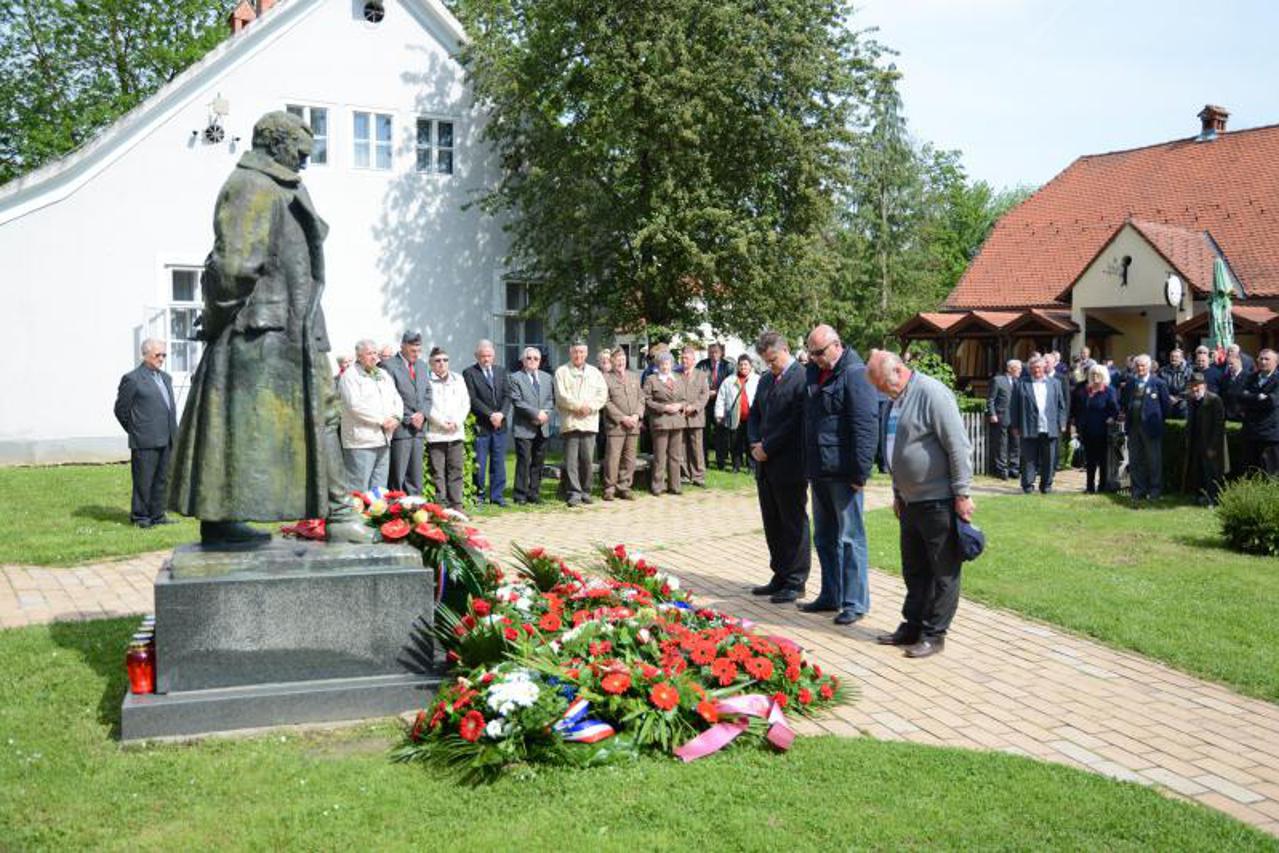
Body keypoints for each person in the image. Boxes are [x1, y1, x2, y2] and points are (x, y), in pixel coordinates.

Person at [167, 111, 366, 544]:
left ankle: (336, 513)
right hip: (260, 332)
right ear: (275, 144)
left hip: (292, 327)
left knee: (321, 412)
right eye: (300, 151)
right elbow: (235, 266)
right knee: (240, 425)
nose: (305, 161)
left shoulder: (279, 183)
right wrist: (218, 315)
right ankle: (334, 514)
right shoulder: (251, 186)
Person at [866, 350, 974, 659]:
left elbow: (958, 446)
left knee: (943, 571)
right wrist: (898, 492)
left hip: (938, 500)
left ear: (898, 371)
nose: (880, 392)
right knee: (914, 569)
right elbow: (896, 448)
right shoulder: (896, 398)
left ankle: (934, 634)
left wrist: (962, 493)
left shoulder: (932, 393)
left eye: (882, 385)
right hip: (910, 501)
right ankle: (912, 625)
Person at [800, 325, 879, 626]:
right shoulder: (814, 372)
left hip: (845, 473)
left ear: (836, 345)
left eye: (819, 353)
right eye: (812, 353)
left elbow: (865, 425)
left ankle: (855, 602)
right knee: (824, 537)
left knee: (850, 538)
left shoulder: (856, 374)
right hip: (819, 469)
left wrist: (861, 472)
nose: (815, 358)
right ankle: (831, 594)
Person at [746, 331, 811, 604]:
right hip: (764, 464)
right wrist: (753, 443)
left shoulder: (802, 378)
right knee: (772, 522)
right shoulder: (764, 380)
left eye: (772, 360)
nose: (769, 366)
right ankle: (780, 574)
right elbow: (754, 414)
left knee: (792, 523)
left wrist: (767, 447)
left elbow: (796, 421)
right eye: (766, 361)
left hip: (789, 463)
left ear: (784, 349)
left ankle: (796, 580)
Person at [114, 338, 178, 528]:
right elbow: (121, 410)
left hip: (167, 437)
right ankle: (141, 517)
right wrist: (136, 430)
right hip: (144, 439)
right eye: (157, 355)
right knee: (144, 481)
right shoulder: (132, 379)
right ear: (146, 354)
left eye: (164, 355)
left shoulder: (166, 378)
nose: (162, 358)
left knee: (162, 479)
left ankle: (158, 515)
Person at [337, 339, 402, 492]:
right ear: (359, 356)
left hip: (384, 439)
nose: (374, 357)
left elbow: (396, 398)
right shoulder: (350, 376)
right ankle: (358, 515)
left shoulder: (383, 374)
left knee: (379, 488)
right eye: (369, 354)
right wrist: (382, 420)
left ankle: (376, 515)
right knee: (359, 487)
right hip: (361, 441)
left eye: (375, 353)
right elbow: (355, 406)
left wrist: (396, 417)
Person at [554, 341, 608, 506]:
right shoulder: (562, 372)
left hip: (589, 422)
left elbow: (602, 394)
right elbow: (561, 396)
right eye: (575, 352)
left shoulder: (594, 373)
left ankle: (586, 491)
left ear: (586, 354)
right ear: (570, 353)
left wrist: (589, 408)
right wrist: (578, 407)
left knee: (586, 460)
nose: (578, 355)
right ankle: (573, 493)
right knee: (571, 461)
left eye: (582, 352)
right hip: (571, 422)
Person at [462, 339, 511, 506]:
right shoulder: (469, 373)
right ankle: (479, 495)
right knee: (480, 464)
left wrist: (501, 414)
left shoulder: (501, 371)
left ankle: (497, 496)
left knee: (498, 462)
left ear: (494, 356)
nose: (486, 359)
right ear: (477, 356)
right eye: (483, 356)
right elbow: (472, 398)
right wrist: (490, 414)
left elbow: (507, 395)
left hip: (500, 425)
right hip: (482, 425)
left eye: (489, 356)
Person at [1010, 355, 1068, 494]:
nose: (1037, 371)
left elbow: (1061, 405)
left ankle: (1046, 485)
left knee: (1049, 458)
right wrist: (1015, 426)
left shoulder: (1055, 383)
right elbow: (1014, 406)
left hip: (1050, 426)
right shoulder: (1021, 383)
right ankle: (1028, 485)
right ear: (1029, 369)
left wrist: (1062, 422)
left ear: (1044, 368)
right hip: (1028, 426)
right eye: (1034, 368)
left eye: (1039, 368)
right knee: (1028, 458)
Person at [382, 330, 431, 495]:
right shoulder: (388, 366)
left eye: (419, 350)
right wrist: (408, 418)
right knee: (398, 477)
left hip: (418, 430)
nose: (416, 354)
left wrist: (423, 414)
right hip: (401, 430)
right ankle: (396, 512)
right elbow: (388, 398)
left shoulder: (423, 366)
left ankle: (415, 511)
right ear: (403, 346)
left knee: (416, 477)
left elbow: (428, 394)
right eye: (413, 350)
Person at [1118, 353, 1172, 502]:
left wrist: (1159, 422)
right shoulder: (1130, 383)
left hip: (1151, 429)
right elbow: (1124, 403)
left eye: (1143, 365)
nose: (1140, 368)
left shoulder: (1159, 383)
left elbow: (1166, 406)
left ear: (1149, 367)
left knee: (1154, 460)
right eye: (1138, 365)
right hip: (1134, 428)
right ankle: (1138, 490)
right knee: (1135, 460)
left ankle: (1155, 490)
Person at [425, 347, 470, 511]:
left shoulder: (458, 379)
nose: (442, 364)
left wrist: (457, 422)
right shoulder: (426, 381)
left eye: (445, 360)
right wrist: (442, 423)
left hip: (456, 433)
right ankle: (441, 508)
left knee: (456, 471)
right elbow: (427, 406)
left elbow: (465, 403)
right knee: (438, 473)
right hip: (436, 434)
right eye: (437, 361)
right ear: (431, 363)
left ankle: (457, 507)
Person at [507, 347, 554, 504]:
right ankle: (520, 494)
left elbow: (550, 400)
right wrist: (536, 414)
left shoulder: (547, 378)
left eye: (536, 358)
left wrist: (545, 414)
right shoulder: (515, 378)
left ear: (540, 361)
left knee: (538, 462)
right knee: (524, 461)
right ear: (523, 360)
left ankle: (534, 493)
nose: (532, 361)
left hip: (543, 426)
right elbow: (517, 401)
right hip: (524, 427)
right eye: (529, 358)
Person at [1070, 364, 1119, 494]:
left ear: (1103, 376)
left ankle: (1102, 486)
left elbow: (1114, 409)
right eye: (1093, 374)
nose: (1095, 377)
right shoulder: (1085, 390)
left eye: (1098, 374)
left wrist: (1111, 418)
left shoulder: (1109, 391)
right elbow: (1078, 408)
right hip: (1087, 430)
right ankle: (1089, 487)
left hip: (1102, 430)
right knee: (1090, 461)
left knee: (1102, 460)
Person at [602, 347, 643, 500]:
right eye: (618, 360)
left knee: (629, 458)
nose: (621, 362)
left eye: (623, 360)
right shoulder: (606, 378)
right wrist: (622, 418)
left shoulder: (634, 377)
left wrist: (637, 415)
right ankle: (610, 488)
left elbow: (641, 398)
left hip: (633, 424)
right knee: (613, 458)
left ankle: (624, 486)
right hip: (616, 425)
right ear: (612, 361)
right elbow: (606, 402)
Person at [642, 352, 685, 495]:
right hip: (661, 421)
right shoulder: (651, 379)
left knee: (675, 455)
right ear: (658, 365)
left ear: (672, 365)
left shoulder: (678, 378)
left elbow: (685, 399)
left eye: (667, 364)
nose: (665, 367)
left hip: (677, 421)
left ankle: (675, 486)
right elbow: (646, 400)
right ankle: (657, 486)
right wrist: (664, 408)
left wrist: (679, 406)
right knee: (660, 455)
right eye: (662, 364)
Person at [1183, 372, 1228, 505]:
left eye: (1197, 385)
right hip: (1196, 441)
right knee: (1198, 471)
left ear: (1204, 385)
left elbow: (1219, 425)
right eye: (1192, 386)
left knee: (1212, 473)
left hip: (1210, 444)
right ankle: (1200, 497)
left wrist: (1213, 447)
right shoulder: (1191, 400)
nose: (1195, 388)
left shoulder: (1214, 400)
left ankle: (1214, 499)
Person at [714, 355, 759, 473]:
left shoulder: (757, 379)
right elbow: (721, 398)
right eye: (741, 365)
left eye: (746, 365)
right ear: (737, 366)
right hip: (735, 417)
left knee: (751, 442)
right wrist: (719, 414)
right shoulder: (729, 380)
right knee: (735, 443)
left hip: (752, 417)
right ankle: (736, 466)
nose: (743, 367)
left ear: (750, 366)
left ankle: (752, 466)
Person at [1238, 348, 1279, 476]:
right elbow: (1239, 397)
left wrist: (1250, 397)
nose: (1263, 361)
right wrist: (1257, 397)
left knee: (1270, 473)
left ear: (1276, 362)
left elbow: (1272, 402)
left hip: (1269, 435)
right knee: (1250, 472)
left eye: (1267, 359)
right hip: (1250, 432)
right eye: (1261, 358)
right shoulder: (1250, 378)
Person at [678, 345, 711, 488]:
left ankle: (698, 476)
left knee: (696, 447)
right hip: (679, 416)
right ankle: (685, 474)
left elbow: (705, 395)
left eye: (686, 358)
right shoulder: (675, 374)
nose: (684, 360)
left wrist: (694, 407)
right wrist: (681, 406)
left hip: (695, 417)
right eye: (682, 358)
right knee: (681, 447)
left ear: (693, 360)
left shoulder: (701, 375)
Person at [697, 342, 732, 469]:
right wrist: (706, 392)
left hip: (720, 404)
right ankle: (703, 461)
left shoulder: (728, 366)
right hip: (704, 404)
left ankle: (721, 462)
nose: (713, 355)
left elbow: (730, 384)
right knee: (703, 434)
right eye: (711, 352)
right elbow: (696, 381)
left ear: (721, 353)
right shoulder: (702, 365)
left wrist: (717, 392)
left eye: (716, 352)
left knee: (721, 434)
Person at [985, 359, 1021, 480]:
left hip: (1016, 418)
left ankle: (1014, 469)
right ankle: (1001, 470)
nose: (1020, 371)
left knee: (1016, 444)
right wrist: (992, 414)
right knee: (1001, 444)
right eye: (1018, 368)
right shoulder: (998, 380)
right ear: (1010, 369)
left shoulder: (1019, 382)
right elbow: (990, 399)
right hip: (1001, 417)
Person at [1158, 348, 1191, 419]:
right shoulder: (1163, 371)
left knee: (1184, 405)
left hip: (1183, 400)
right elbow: (1160, 387)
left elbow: (1190, 387)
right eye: (1172, 356)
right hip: (1167, 399)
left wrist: (1178, 398)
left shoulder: (1189, 371)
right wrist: (1168, 396)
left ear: (1182, 358)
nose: (1173, 358)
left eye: (1176, 357)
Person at [1220, 352, 1247, 422]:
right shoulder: (1225, 378)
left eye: (1231, 364)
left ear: (1239, 362)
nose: (1229, 366)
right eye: (1228, 364)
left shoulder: (1248, 377)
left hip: (1242, 416)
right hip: (1226, 416)